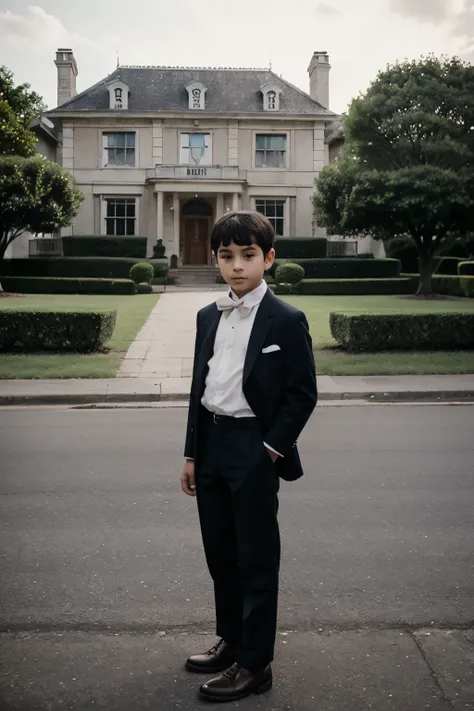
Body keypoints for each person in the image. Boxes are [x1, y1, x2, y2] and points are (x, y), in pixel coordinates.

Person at [180, 210, 317, 702]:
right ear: (217, 259)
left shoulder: (286, 319)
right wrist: (192, 453)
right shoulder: (206, 316)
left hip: (255, 447)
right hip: (212, 444)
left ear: (269, 258)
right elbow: (200, 388)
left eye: (248, 255)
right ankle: (232, 641)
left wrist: (270, 451)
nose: (237, 265)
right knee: (221, 554)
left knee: (257, 558)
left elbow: (302, 394)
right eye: (226, 256)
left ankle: (256, 665)